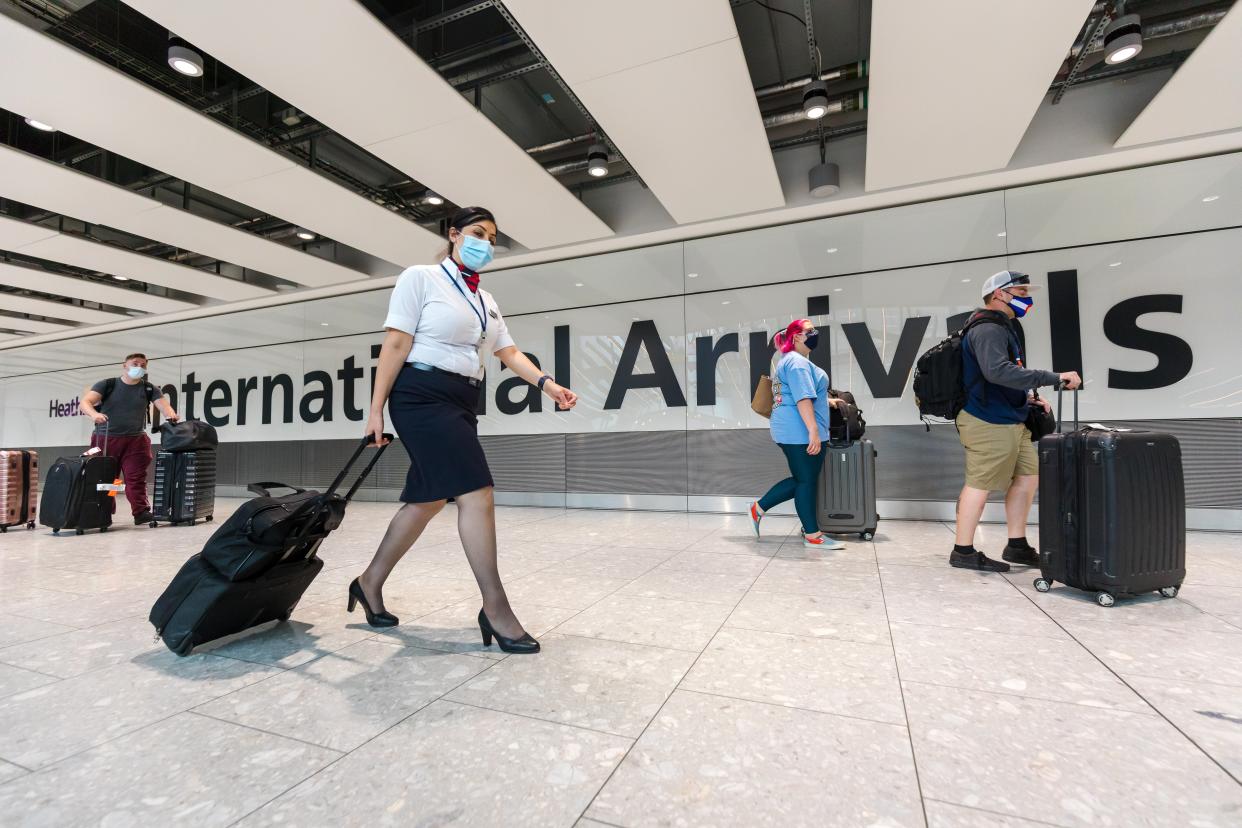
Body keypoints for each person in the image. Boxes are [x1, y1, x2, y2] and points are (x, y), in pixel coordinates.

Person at [352, 206, 578, 654]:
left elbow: (508, 352)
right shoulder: (420, 277)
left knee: (428, 500)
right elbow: (396, 343)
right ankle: (495, 608)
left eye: (493, 238)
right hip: (420, 395)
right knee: (477, 492)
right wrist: (375, 410)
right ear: (453, 235)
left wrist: (547, 385)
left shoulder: (485, 299)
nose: (486, 243)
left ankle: (368, 582)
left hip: (461, 400)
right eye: (478, 233)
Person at [951, 270, 1082, 572]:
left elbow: (1005, 374)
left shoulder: (1003, 326)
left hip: (1011, 415)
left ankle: (1017, 545)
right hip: (987, 419)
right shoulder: (987, 328)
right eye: (1021, 292)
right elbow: (997, 372)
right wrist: (1053, 378)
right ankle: (963, 550)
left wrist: (1027, 397)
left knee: (1028, 476)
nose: (1027, 297)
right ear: (999, 294)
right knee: (980, 483)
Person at [748, 318, 845, 550]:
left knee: (804, 479)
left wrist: (826, 400)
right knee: (806, 481)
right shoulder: (797, 363)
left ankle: (759, 509)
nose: (815, 333)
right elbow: (802, 399)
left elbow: (799, 393)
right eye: (810, 331)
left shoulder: (790, 361)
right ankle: (812, 535)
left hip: (791, 429)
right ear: (797, 337)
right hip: (799, 431)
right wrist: (813, 430)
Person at [78, 353, 180, 525]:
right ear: (124, 365)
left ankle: (141, 512)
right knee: (107, 479)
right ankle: (103, 511)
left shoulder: (149, 389)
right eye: (135, 363)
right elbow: (85, 402)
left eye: (142, 365)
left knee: (136, 477)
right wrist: (94, 414)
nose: (138, 367)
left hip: (136, 441)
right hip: (106, 439)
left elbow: (164, 406)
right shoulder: (107, 385)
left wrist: (171, 415)